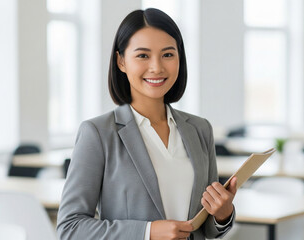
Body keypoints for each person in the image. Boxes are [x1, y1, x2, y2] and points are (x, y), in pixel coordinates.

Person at [57, 8, 237, 240]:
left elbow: (206, 228)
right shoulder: (98, 134)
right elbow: (70, 229)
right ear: (121, 61)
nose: (157, 67)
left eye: (168, 55)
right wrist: (147, 232)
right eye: (143, 55)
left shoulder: (200, 129)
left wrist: (223, 215)